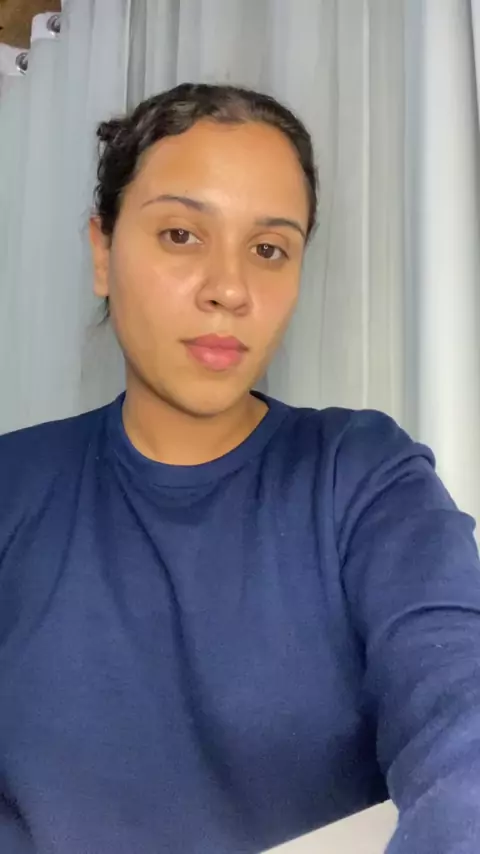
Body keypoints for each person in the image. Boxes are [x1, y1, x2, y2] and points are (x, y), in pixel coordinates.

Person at [0, 82, 479, 854]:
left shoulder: (362, 478)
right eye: (181, 234)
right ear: (103, 252)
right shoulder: (13, 485)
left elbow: (463, 712)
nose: (230, 289)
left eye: (269, 250)